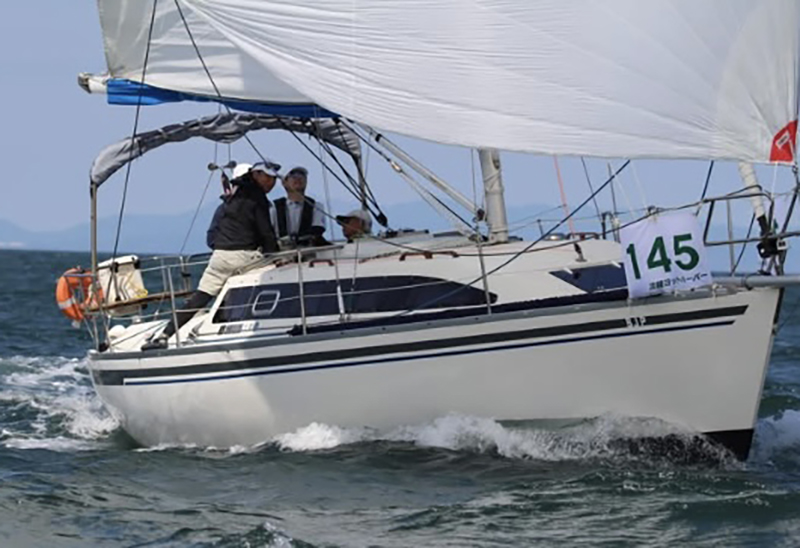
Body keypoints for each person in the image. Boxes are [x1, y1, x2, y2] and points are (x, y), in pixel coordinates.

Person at [143, 161, 280, 351]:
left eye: (274, 179)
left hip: (220, 256)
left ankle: (164, 335)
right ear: (256, 175)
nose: (272, 183)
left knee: (201, 297)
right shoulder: (257, 199)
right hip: (244, 256)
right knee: (281, 271)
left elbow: (216, 233)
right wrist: (277, 256)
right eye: (268, 178)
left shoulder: (233, 197)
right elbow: (266, 233)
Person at [271, 166, 329, 246]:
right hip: (282, 251)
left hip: (308, 250)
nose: (298, 179)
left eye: (302, 176)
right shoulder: (274, 207)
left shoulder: (316, 206)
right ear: (284, 182)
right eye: (293, 176)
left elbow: (317, 230)